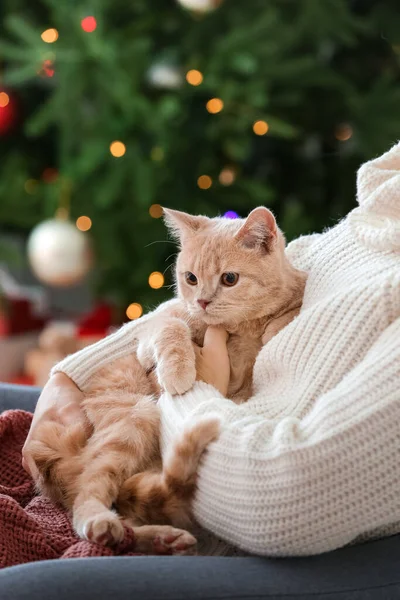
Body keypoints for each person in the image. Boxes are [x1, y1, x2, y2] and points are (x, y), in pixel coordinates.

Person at [23, 141, 400, 557]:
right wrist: (70, 374)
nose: (201, 300)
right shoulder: (374, 213)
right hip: (146, 410)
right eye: (188, 279)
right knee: (125, 424)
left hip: (230, 489)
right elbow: (190, 307)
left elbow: (283, 503)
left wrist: (195, 390)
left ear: (264, 242)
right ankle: (101, 502)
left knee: (135, 425)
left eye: (226, 282)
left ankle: (108, 502)